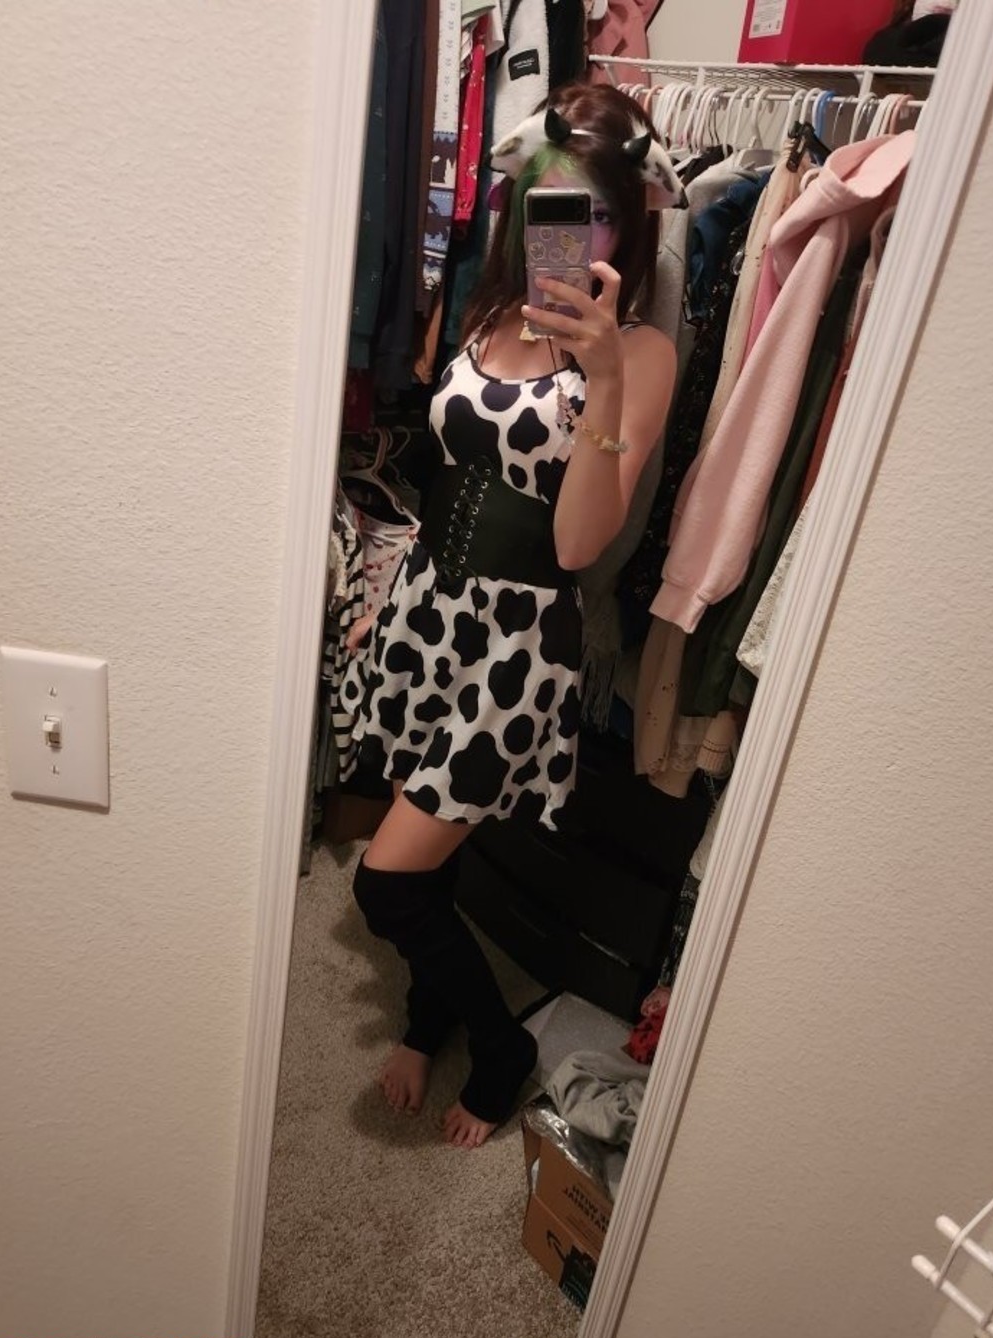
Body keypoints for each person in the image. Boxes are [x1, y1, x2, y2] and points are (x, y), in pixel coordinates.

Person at [342, 81, 682, 1148]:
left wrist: (606, 379)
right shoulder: (486, 312)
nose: (569, 238)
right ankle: (425, 1017)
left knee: (385, 882)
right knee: (426, 852)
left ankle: (500, 1047)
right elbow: (446, 467)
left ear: (630, 225)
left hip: (516, 651)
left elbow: (579, 545)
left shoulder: (642, 355)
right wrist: (389, 594)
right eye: (550, 209)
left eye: (595, 214)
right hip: (427, 611)